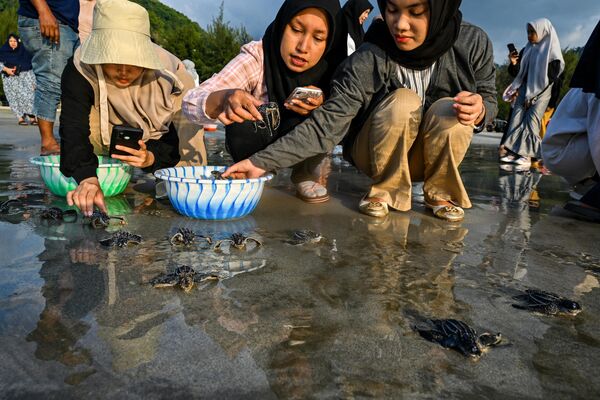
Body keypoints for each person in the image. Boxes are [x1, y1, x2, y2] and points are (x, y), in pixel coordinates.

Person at [222, 0, 496, 222]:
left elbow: (489, 98)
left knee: (453, 110)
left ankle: (441, 193)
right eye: (392, 9)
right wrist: (260, 162)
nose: (400, 25)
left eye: (416, 12)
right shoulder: (371, 53)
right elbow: (329, 123)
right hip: (376, 153)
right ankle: (384, 190)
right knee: (403, 101)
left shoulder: (473, 43)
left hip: (428, 158)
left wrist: (481, 109)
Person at [183, 0, 344, 204]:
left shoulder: (336, 68)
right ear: (282, 23)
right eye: (296, 29)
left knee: (325, 113)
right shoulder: (258, 56)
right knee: (242, 118)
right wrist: (224, 98)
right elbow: (190, 103)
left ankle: (305, 174)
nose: (303, 47)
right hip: (262, 139)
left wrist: (324, 101)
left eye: (318, 38)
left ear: (329, 42)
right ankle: (255, 170)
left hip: (305, 145)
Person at [59, 0, 198, 216]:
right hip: (104, 105)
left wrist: (150, 158)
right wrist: (86, 177)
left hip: (164, 105)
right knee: (88, 143)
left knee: (185, 181)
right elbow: (73, 126)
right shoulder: (80, 67)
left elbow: (174, 140)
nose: (124, 71)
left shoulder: (170, 78)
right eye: (115, 60)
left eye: (133, 62)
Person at [542, 21, 600, 223]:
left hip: (574, 147)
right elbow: (598, 132)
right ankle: (591, 192)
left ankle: (590, 184)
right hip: (563, 151)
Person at [17, 0, 80, 155]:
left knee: (76, 84)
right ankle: (48, 143)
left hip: (64, 23)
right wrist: (43, 11)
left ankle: (69, 138)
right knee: (51, 81)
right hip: (49, 19)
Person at [500, 18, 564, 168]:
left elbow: (551, 80)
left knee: (531, 123)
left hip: (541, 93)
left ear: (543, 31)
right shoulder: (528, 50)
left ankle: (526, 156)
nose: (529, 35)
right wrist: (514, 62)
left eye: (532, 32)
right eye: (528, 32)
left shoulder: (553, 55)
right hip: (524, 90)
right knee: (516, 119)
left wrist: (536, 97)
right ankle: (513, 152)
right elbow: (518, 74)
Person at [0, 33, 37, 125]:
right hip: (10, 80)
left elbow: (31, 67)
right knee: (14, 98)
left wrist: (33, 82)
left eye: (15, 41)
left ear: (18, 42)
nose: (13, 43)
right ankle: (20, 118)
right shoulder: (2, 52)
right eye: (10, 41)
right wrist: (6, 69)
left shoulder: (24, 52)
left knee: (30, 96)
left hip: (25, 76)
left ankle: (32, 117)